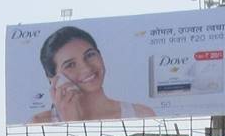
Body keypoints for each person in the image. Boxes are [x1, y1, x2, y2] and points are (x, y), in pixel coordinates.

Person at [27, 26, 158, 124]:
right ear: (53, 79)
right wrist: (70, 122)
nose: (86, 68)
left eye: (90, 55)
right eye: (70, 65)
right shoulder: (40, 123)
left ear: (100, 55)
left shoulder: (140, 114)